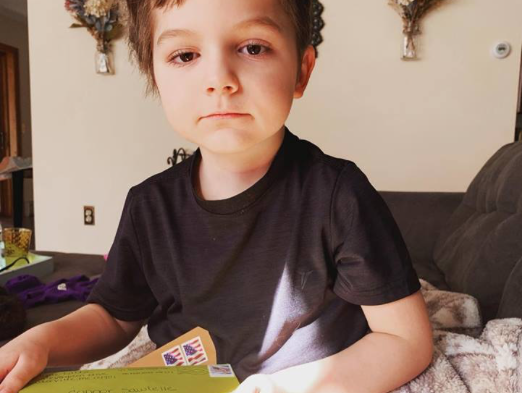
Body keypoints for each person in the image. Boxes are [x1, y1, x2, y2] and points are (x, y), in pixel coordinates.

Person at [0, 0, 434, 392]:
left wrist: (284, 389)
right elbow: (114, 316)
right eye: (185, 55)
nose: (219, 80)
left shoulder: (339, 194)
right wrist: (43, 340)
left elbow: (405, 340)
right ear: (155, 77)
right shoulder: (148, 205)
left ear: (301, 71)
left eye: (253, 48)